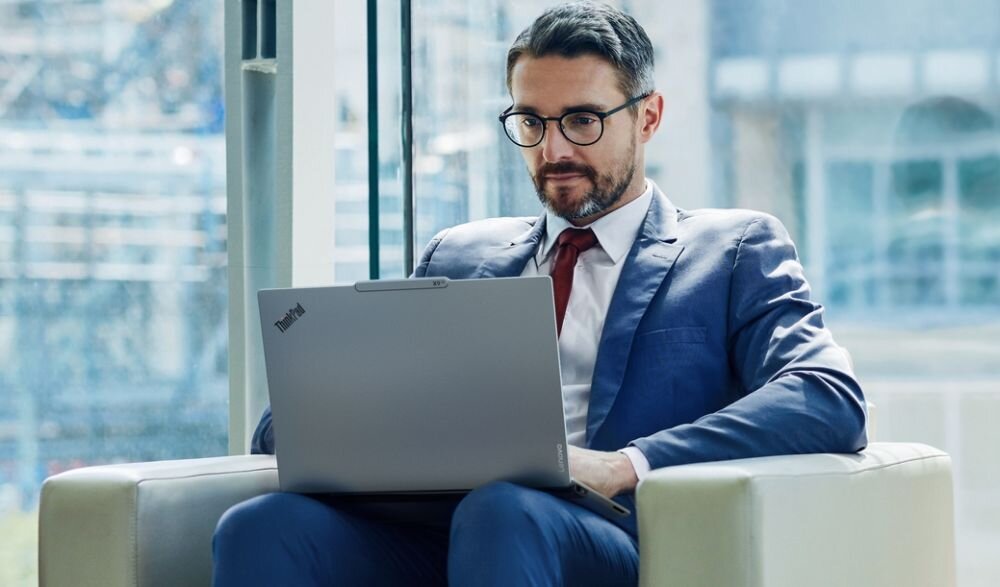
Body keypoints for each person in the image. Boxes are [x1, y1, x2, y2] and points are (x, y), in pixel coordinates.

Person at [213, 2, 867, 585]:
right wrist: (329, 412)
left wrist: (626, 463)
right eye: (531, 121)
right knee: (261, 525)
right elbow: (281, 434)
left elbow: (827, 395)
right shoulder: (459, 255)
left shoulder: (731, 251)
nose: (552, 149)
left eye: (581, 120)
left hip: (603, 535)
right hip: (440, 529)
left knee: (501, 511)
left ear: (649, 117)